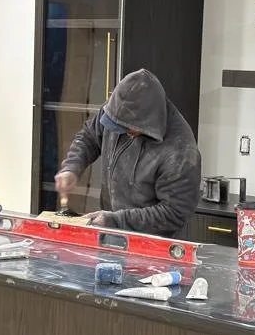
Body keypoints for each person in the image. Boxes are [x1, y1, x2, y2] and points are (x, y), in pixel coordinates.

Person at [54, 69, 201, 238]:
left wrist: (115, 220)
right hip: (112, 232)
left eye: (127, 128)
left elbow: (174, 213)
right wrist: (71, 168)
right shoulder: (117, 110)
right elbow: (89, 136)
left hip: (152, 244)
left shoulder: (180, 151)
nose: (121, 132)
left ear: (146, 122)